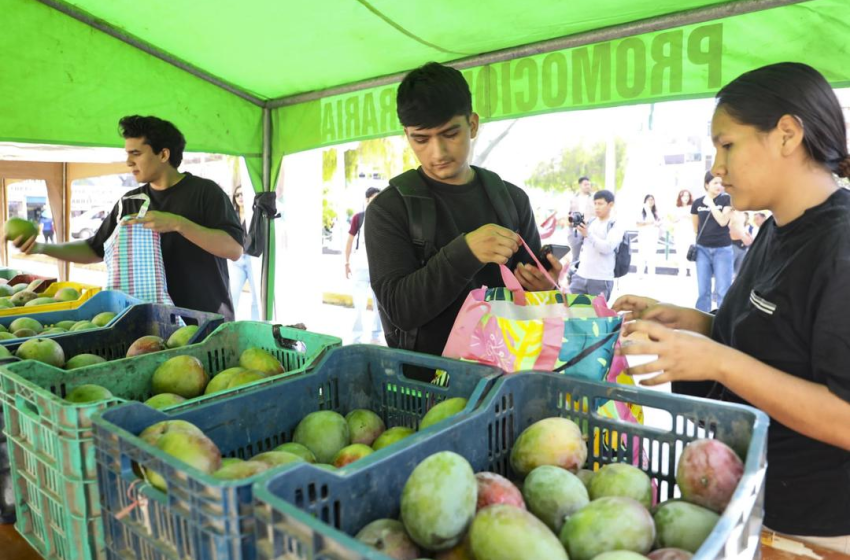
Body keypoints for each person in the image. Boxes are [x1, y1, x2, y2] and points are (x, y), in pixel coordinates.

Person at [615, 62, 850, 552]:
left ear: (786, 135)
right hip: (749, 500)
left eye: (727, 145)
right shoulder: (773, 230)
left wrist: (718, 359)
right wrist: (696, 324)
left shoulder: (841, 245)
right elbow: (777, 341)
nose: (716, 167)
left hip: (812, 532)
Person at [365, 62, 560, 359]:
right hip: (423, 385)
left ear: (472, 124)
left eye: (449, 134)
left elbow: (529, 297)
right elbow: (400, 311)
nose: (438, 152)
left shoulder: (512, 199)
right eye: (421, 139)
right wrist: (465, 252)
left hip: (506, 376)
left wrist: (545, 288)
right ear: (407, 135)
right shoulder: (389, 209)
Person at [9, 115, 244, 320]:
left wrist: (177, 223)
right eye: (127, 154)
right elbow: (94, 249)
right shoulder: (129, 202)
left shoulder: (205, 192)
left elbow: (234, 249)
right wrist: (41, 248)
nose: (129, 162)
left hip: (205, 321)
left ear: (163, 154)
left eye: (136, 153)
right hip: (150, 323)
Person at [568, 190, 623, 300]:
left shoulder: (615, 224)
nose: (597, 207)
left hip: (601, 280)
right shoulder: (591, 222)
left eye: (600, 204)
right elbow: (575, 244)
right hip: (580, 276)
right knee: (573, 313)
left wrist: (588, 234)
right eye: (595, 203)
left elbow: (607, 248)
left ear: (610, 204)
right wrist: (572, 227)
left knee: (596, 316)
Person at [345, 187, 383, 344]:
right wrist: (346, 262)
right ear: (366, 200)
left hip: (379, 270)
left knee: (380, 307)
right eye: (374, 198)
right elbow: (349, 241)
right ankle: (356, 338)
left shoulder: (384, 219)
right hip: (360, 269)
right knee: (358, 307)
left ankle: (376, 336)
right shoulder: (358, 218)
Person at [691, 171, 733, 311]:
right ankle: (702, 320)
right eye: (715, 183)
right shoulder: (697, 203)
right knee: (703, 291)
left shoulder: (726, 200)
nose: (719, 186)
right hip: (702, 249)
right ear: (706, 184)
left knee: (723, 290)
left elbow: (722, 221)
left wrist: (710, 204)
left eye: (721, 183)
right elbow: (696, 227)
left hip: (723, 249)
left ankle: (722, 323)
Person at [228, 184, 260, 320]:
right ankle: (229, 322)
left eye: (242, 194)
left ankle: (257, 324)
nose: (240, 197)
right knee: (232, 293)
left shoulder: (254, 213)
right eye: (237, 195)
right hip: (237, 258)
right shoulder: (232, 214)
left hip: (252, 257)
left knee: (256, 296)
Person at [567, 176, 595, 261]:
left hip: (590, 229)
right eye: (585, 184)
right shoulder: (572, 198)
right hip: (575, 229)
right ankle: (573, 271)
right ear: (580, 185)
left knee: (590, 255)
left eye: (589, 184)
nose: (588, 186)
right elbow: (567, 214)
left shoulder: (594, 198)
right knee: (575, 256)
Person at [670, 189, 695, 277]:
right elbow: (672, 219)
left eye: (687, 196)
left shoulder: (692, 207)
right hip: (679, 233)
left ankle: (693, 273)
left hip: (690, 233)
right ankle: (681, 272)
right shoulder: (676, 208)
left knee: (691, 253)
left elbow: (695, 219)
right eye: (684, 196)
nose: (686, 198)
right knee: (680, 254)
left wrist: (687, 216)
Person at [635, 194, 659, 278]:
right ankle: (640, 274)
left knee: (652, 256)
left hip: (653, 236)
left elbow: (659, 222)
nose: (651, 201)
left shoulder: (656, 212)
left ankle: (651, 274)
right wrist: (649, 223)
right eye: (649, 199)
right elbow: (638, 224)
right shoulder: (642, 212)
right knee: (642, 255)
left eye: (652, 199)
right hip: (644, 236)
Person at [729, 210, 754, 278]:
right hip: (733, 245)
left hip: (743, 248)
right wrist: (742, 237)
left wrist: (748, 238)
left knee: (740, 273)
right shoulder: (731, 216)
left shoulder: (749, 226)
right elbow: (729, 229)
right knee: (728, 272)